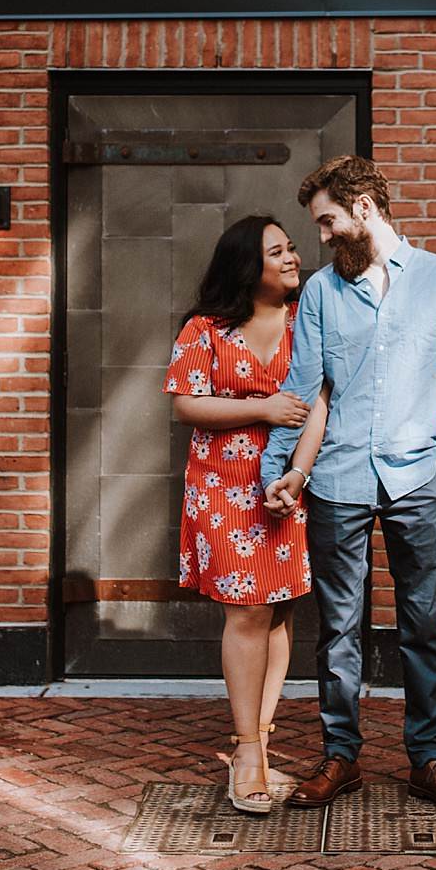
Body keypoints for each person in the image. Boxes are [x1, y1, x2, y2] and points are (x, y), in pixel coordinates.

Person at [261, 155, 436, 815]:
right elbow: (303, 388)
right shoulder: (324, 297)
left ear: (364, 210)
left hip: (420, 478)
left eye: (329, 221)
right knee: (338, 628)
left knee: (422, 622)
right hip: (337, 480)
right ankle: (341, 755)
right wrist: (282, 471)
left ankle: (429, 758)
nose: (323, 236)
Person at [165, 214, 330, 814]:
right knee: (249, 610)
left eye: (291, 248)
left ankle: (255, 743)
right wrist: (261, 409)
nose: (292, 259)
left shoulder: (306, 321)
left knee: (278, 609)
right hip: (222, 488)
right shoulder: (206, 329)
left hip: (287, 485)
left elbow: (319, 405)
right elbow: (186, 405)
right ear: (246, 266)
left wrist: (298, 474)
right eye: (277, 252)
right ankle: (250, 753)